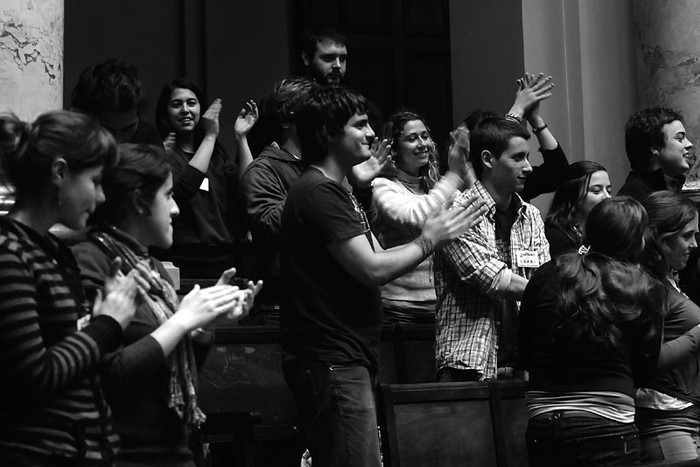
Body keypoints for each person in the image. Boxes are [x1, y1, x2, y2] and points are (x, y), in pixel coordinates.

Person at [281, 85, 486, 466]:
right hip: (332, 357)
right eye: (359, 125)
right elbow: (373, 269)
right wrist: (429, 241)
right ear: (327, 133)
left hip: (346, 356)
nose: (372, 134)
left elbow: (376, 255)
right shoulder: (319, 193)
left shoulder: (334, 190)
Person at [72, 143, 260, 466]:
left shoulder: (152, 268)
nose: (176, 209)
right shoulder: (91, 262)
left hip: (172, 447)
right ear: (139, 201)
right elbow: (109, 379)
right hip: (123, 454)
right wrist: (182, 320)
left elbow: (173, 369)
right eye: (169, 195)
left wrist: (204, 325)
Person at [0, 110, 139, 465]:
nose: (103, 196)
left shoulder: (52, 250)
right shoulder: (10, 253)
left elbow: (66, 348)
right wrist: (106, 325)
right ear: (60, 173)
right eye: (95, 181)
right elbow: (35, 375)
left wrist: (93, 321)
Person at [519, 196, 670, 466]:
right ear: (638, 242)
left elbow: (525, 352)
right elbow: (645, 370)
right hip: (609, 424)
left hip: (544, 423)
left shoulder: (546, 275)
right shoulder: (646, 288)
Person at [434, 117, 550, 382]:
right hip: (468, 364)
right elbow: (492, 278)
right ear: (488, 160)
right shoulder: (457, 212)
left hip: (525, 365)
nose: (529, 168)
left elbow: (542, 275)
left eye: (528, 157)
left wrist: (548, 288)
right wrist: (556, 291)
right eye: (518, 158)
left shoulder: (531, 215)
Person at [373, 110, 473, 324]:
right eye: (411, 138)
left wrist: (464, 168)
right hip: (399, 311)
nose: (422, 143)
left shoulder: (436, 187)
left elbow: (477, 212)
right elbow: (415, 219)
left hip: (441, 306)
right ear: (395, 148)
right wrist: (454, 175)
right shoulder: (383, 187)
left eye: (424, 136)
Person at [152, 78, 257, 278]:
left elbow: (249, 186)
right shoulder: (163, 154)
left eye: (191, 103)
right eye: (176, 104)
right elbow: (184, 189)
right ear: (165, 112)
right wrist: (210, 135)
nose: (185, 110)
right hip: (181, 258)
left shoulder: (217, 155)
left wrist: (241, 138)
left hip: (222, 256)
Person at [240, 77, 317, 321]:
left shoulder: (325, 165)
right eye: (315, 112)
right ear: (288, 119)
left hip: (326, 301)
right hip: (283, 308)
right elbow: (268, 226)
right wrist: (315, 180)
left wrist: (364, 189)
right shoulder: (263, 169)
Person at [636, 191, 700, 462]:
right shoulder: (643, 285)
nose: (695, 244)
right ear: (662, 240)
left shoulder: (666, 282)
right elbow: (643, 359)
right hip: (665, 418)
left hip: (685, 414)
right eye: (687, 236)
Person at [460, 73, 568, 202]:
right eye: (517, 157)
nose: (528, 168)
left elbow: (559, 173)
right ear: (486, 158)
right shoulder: (459, 185)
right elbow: (481, 204)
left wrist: (535, 119)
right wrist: (516, 111)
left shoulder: (513, 179)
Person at [70, 58, 161, 144]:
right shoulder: (76, 144)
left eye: (127, 129)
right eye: (108, 130)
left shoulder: (149, 139)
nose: (118, 141)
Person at [618, 107, 693, 201]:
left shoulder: (670, 188)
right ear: (655, 147)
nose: (690, 144)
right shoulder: (633, 201)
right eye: (679, 138)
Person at [544, 161, 611, 257]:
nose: (607, 197)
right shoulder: (555, 236)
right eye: (596, 191)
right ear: (573, 196)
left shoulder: (606, 231)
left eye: (609, 191)